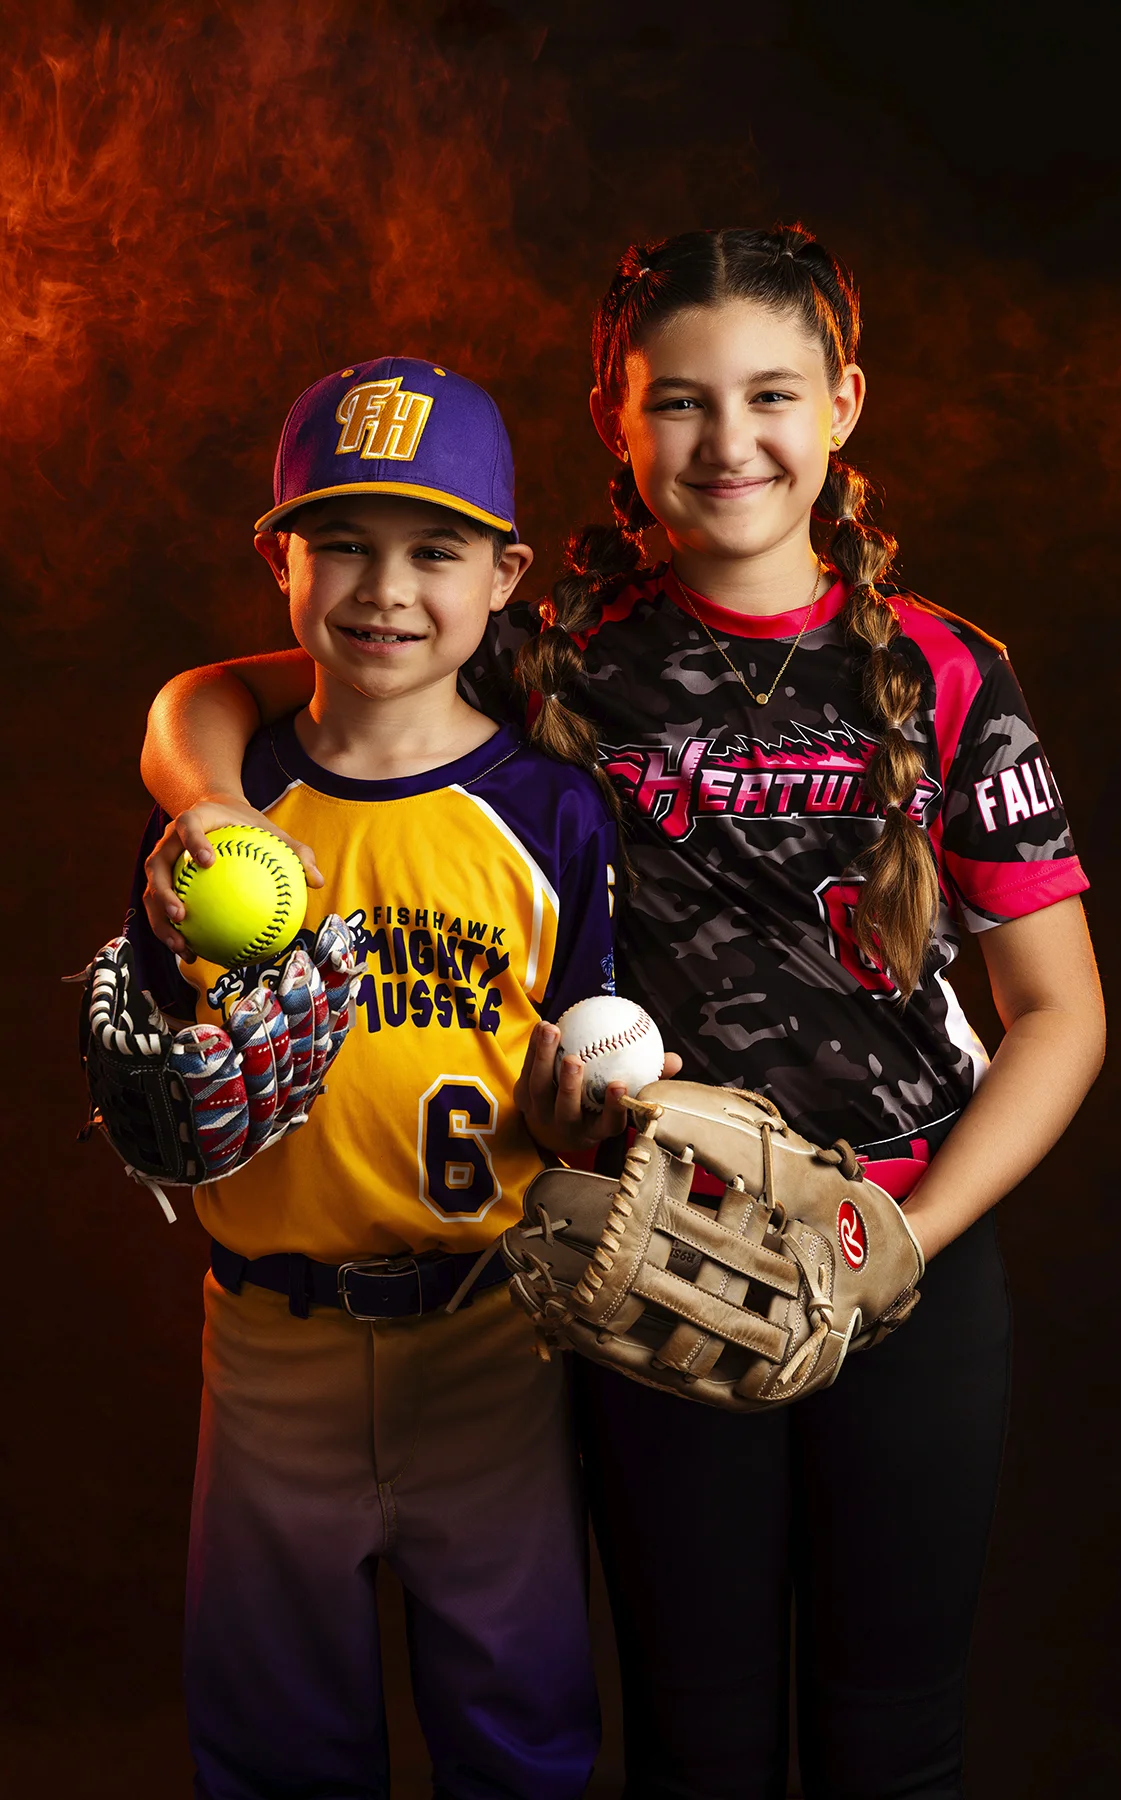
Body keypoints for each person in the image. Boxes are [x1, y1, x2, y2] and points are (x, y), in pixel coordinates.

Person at [139, 234, 1106, 1800]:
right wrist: (200, 808)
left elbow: (1061, 1011)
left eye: (775, 395)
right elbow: (218, 698)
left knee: (892, 1740)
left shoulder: (942, 671)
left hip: (909, 1254)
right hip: (656, 1256)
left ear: (844, 405)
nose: (731, 444)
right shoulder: (546, 652)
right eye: (683, 404)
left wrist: (909, 1240)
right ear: (616, 415)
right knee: (697, 1737)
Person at [129, 356, 633, 1800]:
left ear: (504, 573)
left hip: (492, 1343)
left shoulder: (549, 810)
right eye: (339, 541)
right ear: (278, 561)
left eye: (434, 548)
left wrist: (590, 1118)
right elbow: (165, 1074)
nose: (383, 587)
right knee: (275, 1736)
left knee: (520, 1727)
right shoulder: (230, 821)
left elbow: (599, 1058)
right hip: (270, 1343)